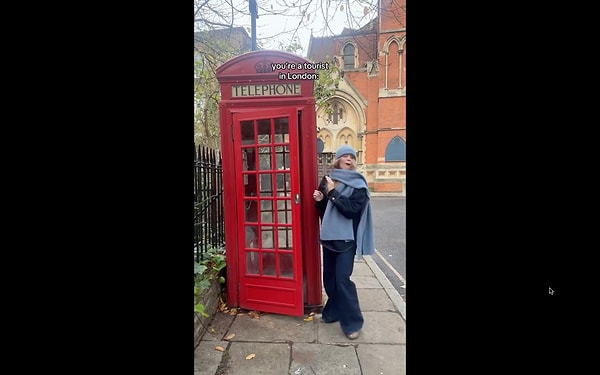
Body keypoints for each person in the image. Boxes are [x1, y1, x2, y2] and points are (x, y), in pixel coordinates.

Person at [312, 144, 375, 340]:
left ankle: (353, 323)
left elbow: (351, 210)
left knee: (342, 280)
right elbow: (325, 212)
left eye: (352, 157)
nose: (349, 159)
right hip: (329, 237)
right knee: (329, 281)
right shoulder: (329, 180)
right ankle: (333, 312)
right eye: (345, 156)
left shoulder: (359, 185)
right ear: (337, 160)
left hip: (347, 240)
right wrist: (320, 199)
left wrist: (332, 193)